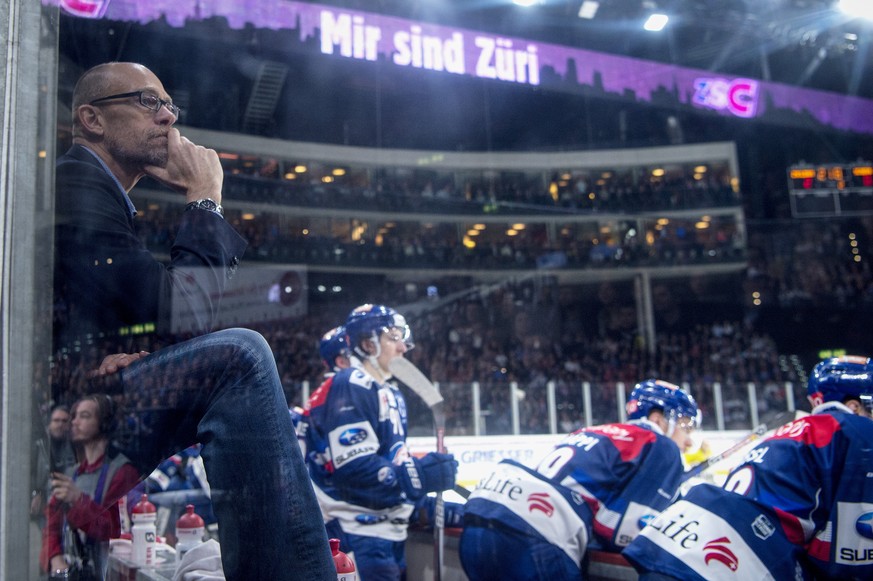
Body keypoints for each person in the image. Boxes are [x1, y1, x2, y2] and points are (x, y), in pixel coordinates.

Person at [51, 62, 334, 580]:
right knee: (239, 357)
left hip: (80, 389)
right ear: (92, 118)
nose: (167, 117)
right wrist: (205, 199)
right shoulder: (77, 180)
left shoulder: (99, 193)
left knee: (235, 354)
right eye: (147, 101)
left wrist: (122, 349)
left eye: (169, 106)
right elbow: (181, 318)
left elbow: (144, 319)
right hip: (64, 405)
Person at [624, 355, 873, 580]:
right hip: (730, 564)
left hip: (672, 544)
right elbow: (850, 561)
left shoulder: (784, 435)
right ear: (854, 407)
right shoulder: (858, 434)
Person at [459, 379, 700, 581]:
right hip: (538, 536)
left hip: (483, 518)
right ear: (658, 419)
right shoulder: (661, 445)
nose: (689, 441)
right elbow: (621, 532)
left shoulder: (590, 431)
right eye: (685, 426)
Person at [302, 304, 458, 580]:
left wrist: (423, 501)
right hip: (360, 534)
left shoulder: (390, 392)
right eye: (393, 337)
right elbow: (353, 468)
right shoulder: (352, 382)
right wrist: (420, 474)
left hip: (387, 531)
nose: (403, 347)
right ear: (367, 343)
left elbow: (392, 461)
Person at [40, 395, 141, 579]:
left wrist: (78, 500)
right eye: (75, 416)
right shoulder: (72, 473)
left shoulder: (122, 473)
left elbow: (112, 531)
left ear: (104, 423)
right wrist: (55, 558)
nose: (75, 422)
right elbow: (51, 523)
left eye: (85, 416)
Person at [32, 405, 78, 519]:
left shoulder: (76, 446)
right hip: (43, 505)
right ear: (49, 424)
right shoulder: (38, 446)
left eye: (64, 421)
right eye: (56, 420)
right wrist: (35, 493)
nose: (60, 424)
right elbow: (29, 474)